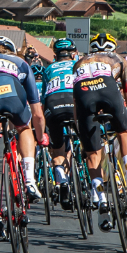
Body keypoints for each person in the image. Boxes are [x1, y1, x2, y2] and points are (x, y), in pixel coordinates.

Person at [0, 35, 46, 242]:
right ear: (12, 50)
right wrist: (39, 138)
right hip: (13, 101)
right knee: (24, 128)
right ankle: (30, 181)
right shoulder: (21, 63)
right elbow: (37, 111)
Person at [72, 32, 127, 230]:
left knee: (92, 154)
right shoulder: (119, 59)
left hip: (85, 96)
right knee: (124, 132)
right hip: (109, 90)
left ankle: (101, 198)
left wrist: (82, 132)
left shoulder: (79, 63)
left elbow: (77, 102)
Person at [42, 38, 79, 209]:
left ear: (55, 55)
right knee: (89, 142)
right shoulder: (78, 65)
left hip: (53, 105)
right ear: (74, 53)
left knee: (58, 149)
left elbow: (43, 100)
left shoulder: (49, 69)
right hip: (74, 103)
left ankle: (62, 179)